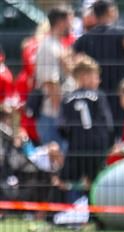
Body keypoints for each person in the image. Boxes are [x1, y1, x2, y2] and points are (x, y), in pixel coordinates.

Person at [72, 0, 124, 139]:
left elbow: (69, 59)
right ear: (112, 12)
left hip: (95, 97)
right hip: (122, 97)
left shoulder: (84, 39)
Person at [57, 55, 114, 202]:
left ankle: (69, 212)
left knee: (69, 180)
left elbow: (62, 127)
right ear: (84, 76)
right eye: (96, 76)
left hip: (76, 147)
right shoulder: (99, 96)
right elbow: (108, 124)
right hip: (97, 146)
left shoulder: (67, 98)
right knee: (96, 180)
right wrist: (107, 144)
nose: (98, 81)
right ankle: (96, 215)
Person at [36, 6, 73, 149]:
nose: (72, 25)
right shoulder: (48, 46)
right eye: (70, 20)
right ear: (61, 22)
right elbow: (51, 83)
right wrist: (61, 115)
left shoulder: (57, 44)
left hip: (57, 115)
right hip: (53, 117)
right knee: (57, 167)